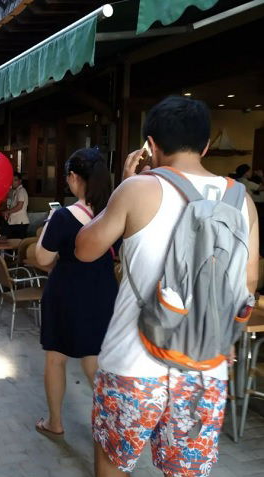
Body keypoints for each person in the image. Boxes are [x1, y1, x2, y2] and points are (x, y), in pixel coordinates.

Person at [75, 96, 258, 477]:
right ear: (206, 145)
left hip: (133, 365)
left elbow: (85, 249)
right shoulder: (242, 202)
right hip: (204, 366)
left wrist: (123, 187)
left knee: (112, 464)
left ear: (151, 145)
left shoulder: (138, 189)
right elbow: (248, 283)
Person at [33, 148, 119, 438]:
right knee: (95, 359)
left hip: (66, 292)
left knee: (56, 357)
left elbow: (43, 259)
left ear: (73, 177)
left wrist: (46, 230)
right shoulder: (116, 213)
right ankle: (111, 424)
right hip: (104, 291)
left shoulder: (62, 216)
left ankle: (54, 423)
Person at [3, 173, 29, 238]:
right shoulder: (14, 191)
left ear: (20, 181)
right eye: (11, 180)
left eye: (15, 180)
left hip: (20, 222)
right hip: (13, 221)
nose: (13, 182)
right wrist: (7, 212)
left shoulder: (21, 191)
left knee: (17, 244)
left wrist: (7, 212)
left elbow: (19, 206)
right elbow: (10, 205)